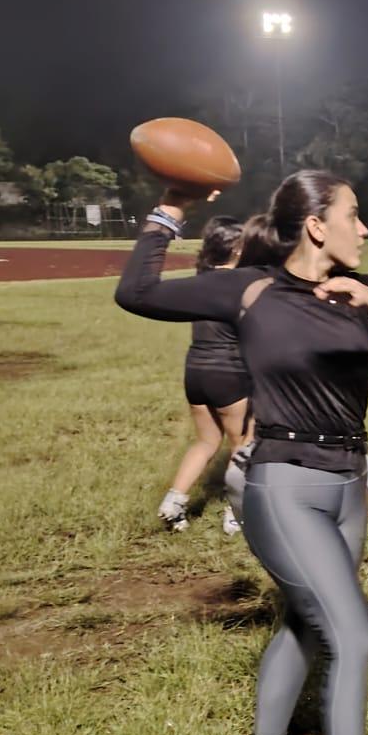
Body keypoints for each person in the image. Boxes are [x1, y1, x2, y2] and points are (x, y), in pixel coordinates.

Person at [116, 170, 368, 735]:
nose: (367, 229)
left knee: (305, 623)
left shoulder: (360, 298)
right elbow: (138, 293)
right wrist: (170, 209)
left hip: (347, 482)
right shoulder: (252, 288)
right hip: (282, 485)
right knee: (352, 634)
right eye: (356, 216)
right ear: (317, 225)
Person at [156, 215, 255, 536]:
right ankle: (235, 512)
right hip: (228, 372)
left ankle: (173, 503)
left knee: (206, 441)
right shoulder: (243, 283)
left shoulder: (199, 279)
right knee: (244, 443)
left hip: (195, 371)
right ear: (238, 249)